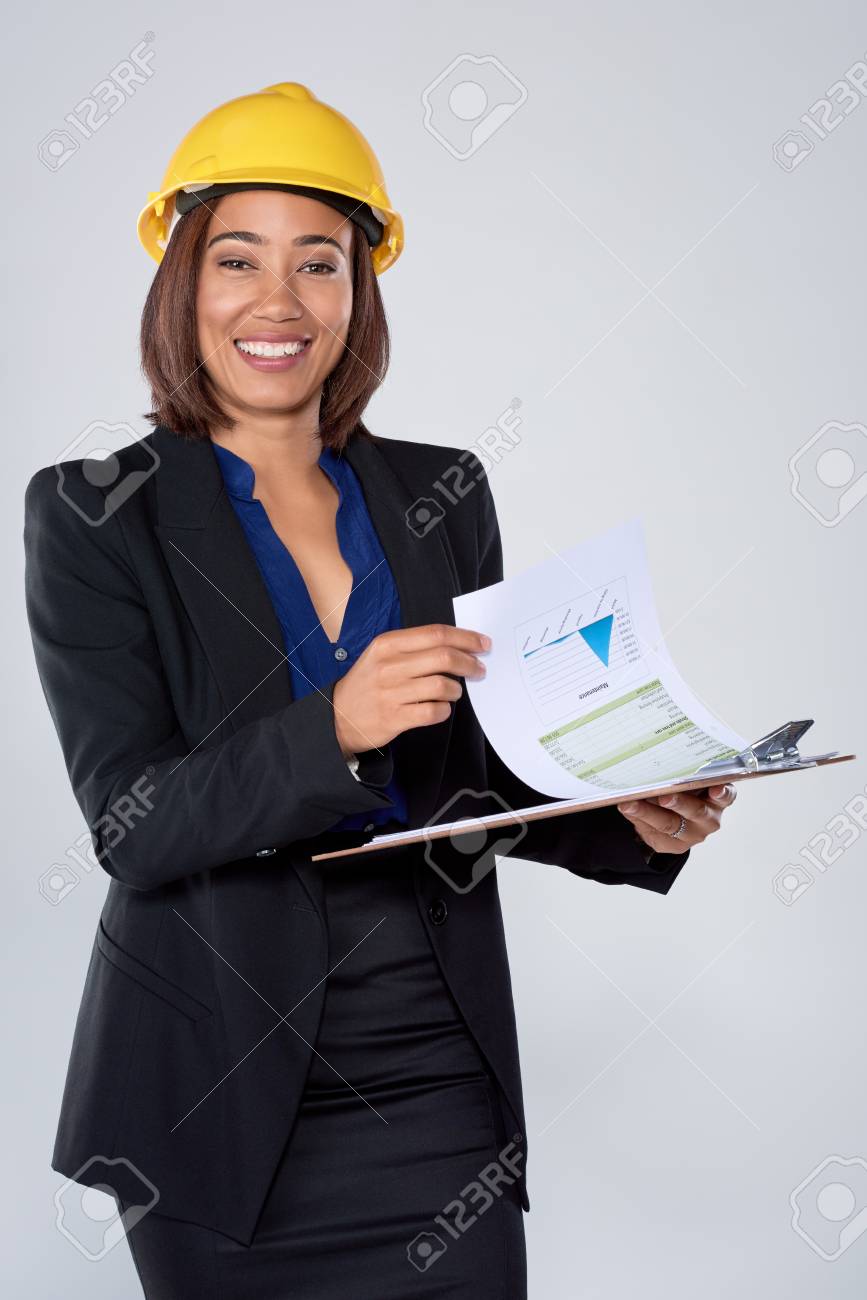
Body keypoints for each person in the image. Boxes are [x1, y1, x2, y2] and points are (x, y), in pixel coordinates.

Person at [23, 82, 736, 1298]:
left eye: (321, 263)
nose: (277, 301)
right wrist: (334, 726)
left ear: (360, 295)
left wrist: (626, 813)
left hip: (436, 1075)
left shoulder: (439, 489)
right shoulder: (95, 510)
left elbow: (471, 771)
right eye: (236, 258)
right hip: (218, 1089)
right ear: (181, 283)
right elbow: (132, 823)